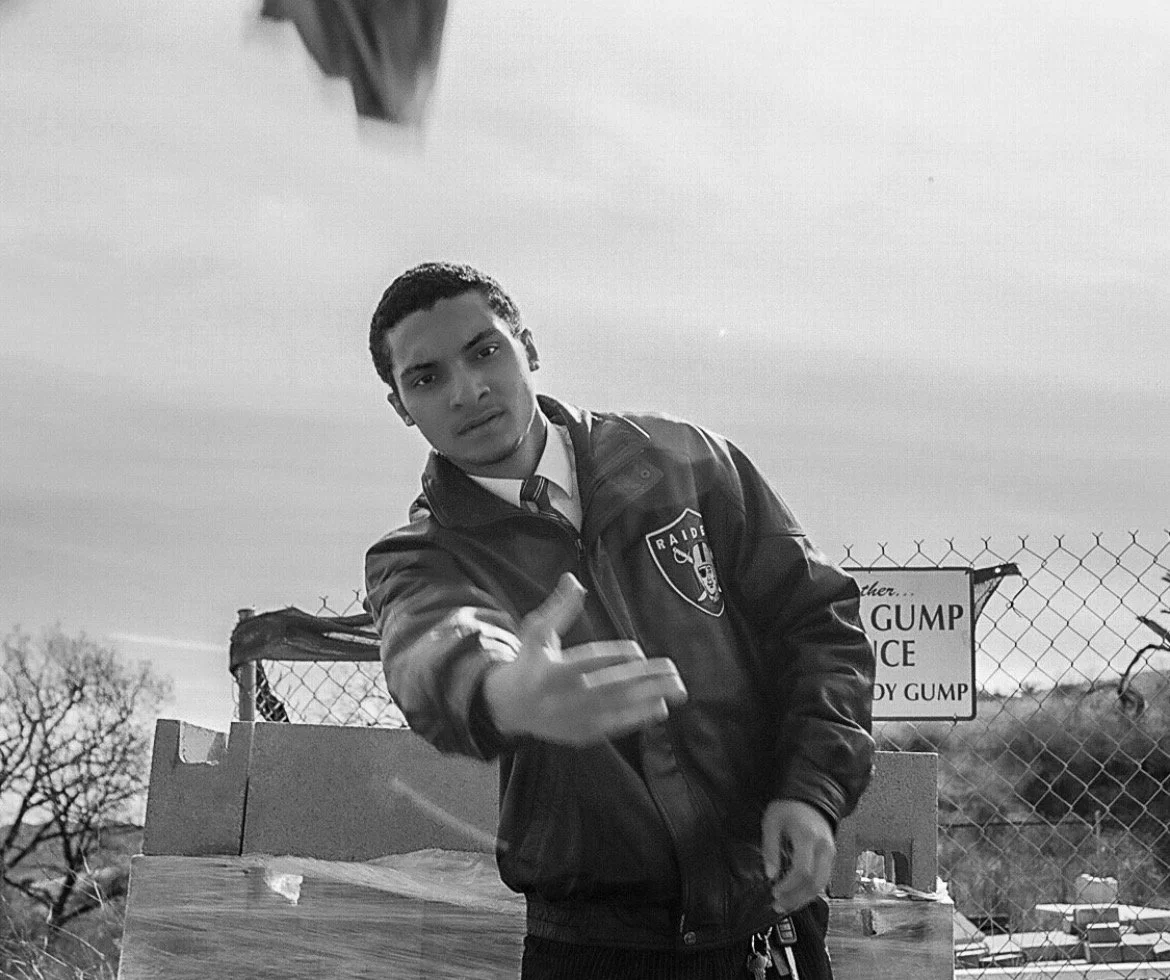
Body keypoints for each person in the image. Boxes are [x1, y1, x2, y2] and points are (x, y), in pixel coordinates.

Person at [362, 261, 876, 980]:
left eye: (485, 351)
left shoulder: (686, 463)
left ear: (528, 348)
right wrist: (504, 691)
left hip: (771, 929)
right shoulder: (421, 556)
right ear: (400, 406)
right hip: (596, 952)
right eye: (426, 377)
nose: (468, 390)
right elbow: (429, 642)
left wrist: (813, 790)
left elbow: (818, 623)